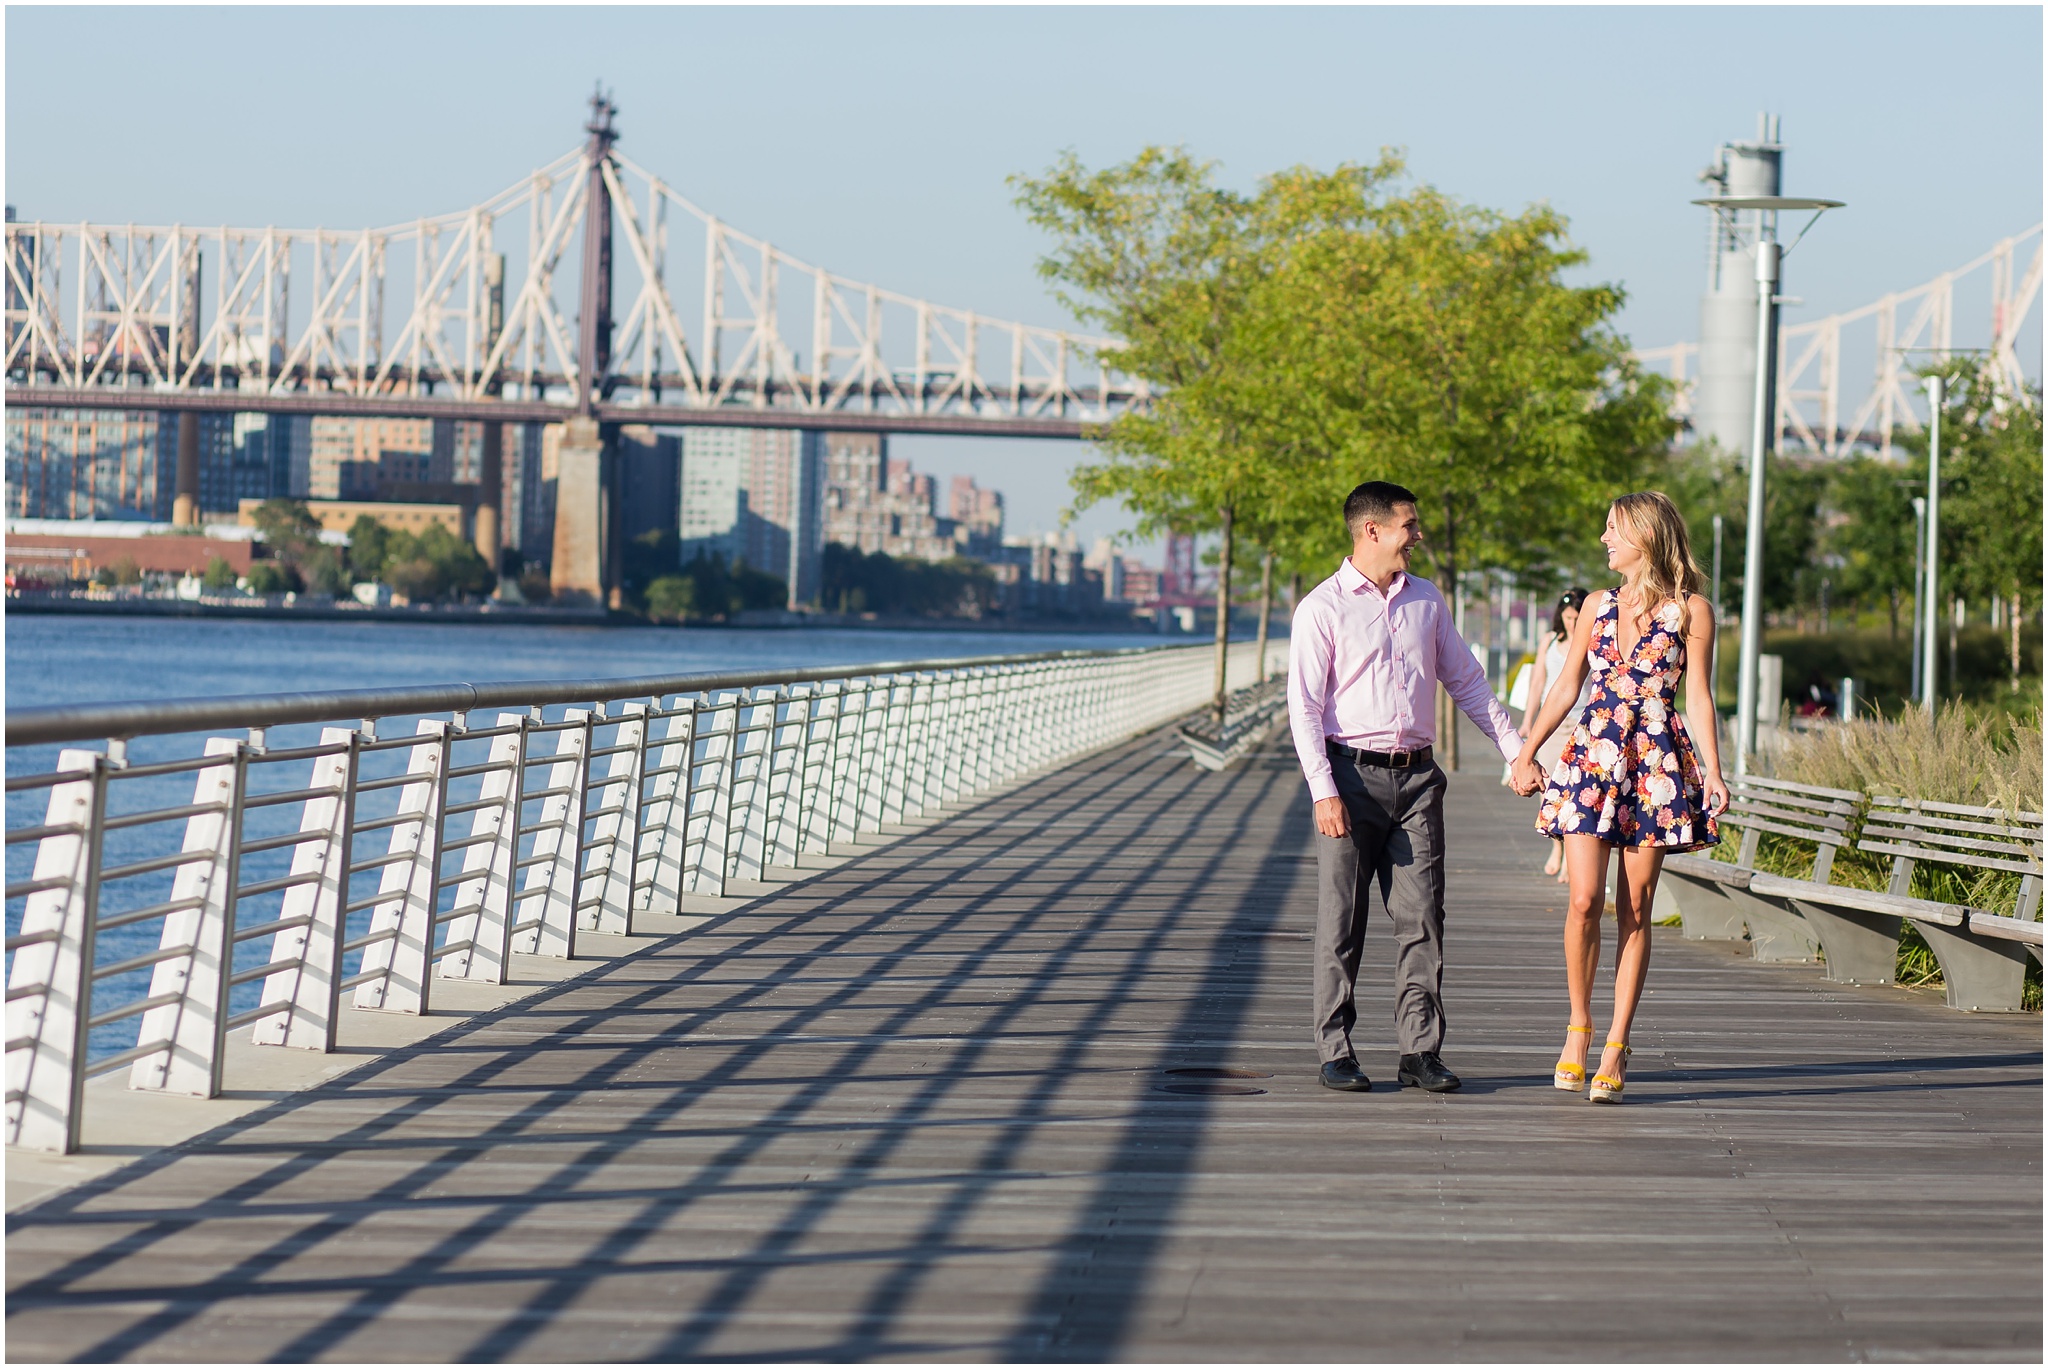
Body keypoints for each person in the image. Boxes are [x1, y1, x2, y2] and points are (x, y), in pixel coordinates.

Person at [1289, 480, 1523, 1095]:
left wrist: (1516, 751)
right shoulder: (1322, 609)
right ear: (1372, 531)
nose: (1419, 536)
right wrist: (1323, 791)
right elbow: (1305, 710)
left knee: (1423, 919)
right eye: (1409, 526)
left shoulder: (1427, 601)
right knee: (1342, 920)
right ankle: (1335, 1049)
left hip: (1418, 779)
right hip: (1349, 776)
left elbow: (1467, 681)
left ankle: (1420, 1051)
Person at [1510, 492, 1729, 1105]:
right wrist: (1529, 750)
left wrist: (1713, 771)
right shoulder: (1597, 607)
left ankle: (1616, 1043)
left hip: (1656, 764)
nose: (1604, 539)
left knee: (1637, 905)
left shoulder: (1692, 613)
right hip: (1593, 756)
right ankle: (1578, 1026)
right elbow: (1567, 684)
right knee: (1583, 900)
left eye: (1613, 530)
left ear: (1646, 537)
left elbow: (1701, 699)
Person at [1518, 587, 1593, 883]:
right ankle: (1556, 848)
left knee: (1575, 792)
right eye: (1569, 617)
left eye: (1577, 617)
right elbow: (1538, 681)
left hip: (1580, 723)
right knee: (1548, 788)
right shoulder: (1550, 641)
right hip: (1552, 725)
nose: (1573, 623)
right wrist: (1528, 721)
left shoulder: (1591, 638)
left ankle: (1570, 860)